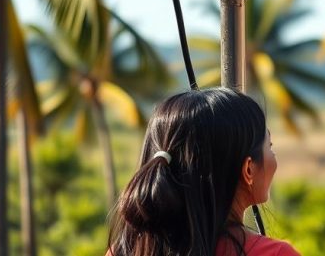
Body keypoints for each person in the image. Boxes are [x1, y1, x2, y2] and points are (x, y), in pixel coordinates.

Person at [108, 87, 300, 256]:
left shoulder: (123, 251)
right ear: (248, 169)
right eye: (269, 146)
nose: (273, 156)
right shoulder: (275, 254)